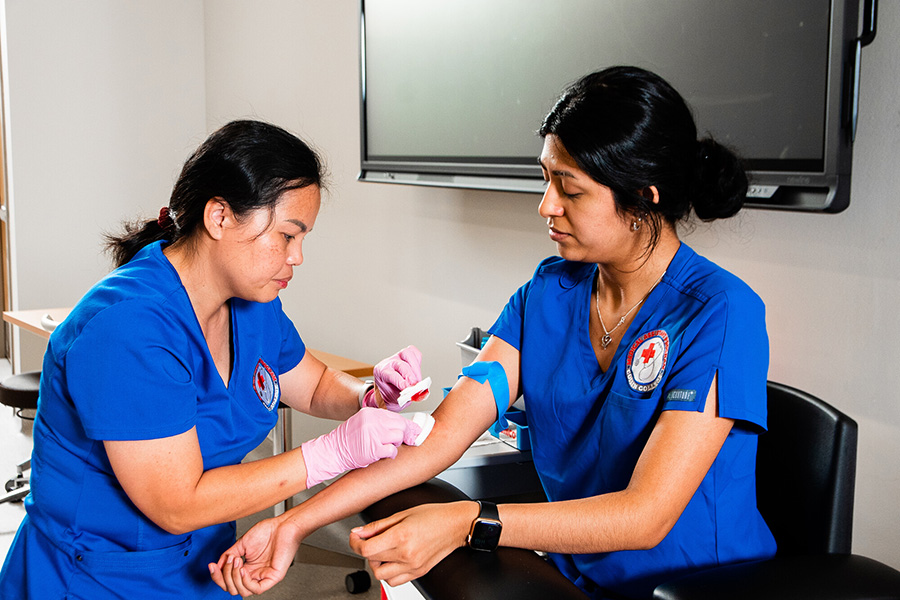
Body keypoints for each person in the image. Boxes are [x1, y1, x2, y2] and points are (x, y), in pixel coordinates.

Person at [212, 67, 777, 599]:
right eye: (545, 179)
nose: (546, 206)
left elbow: (645, 516)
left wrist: (468, 520)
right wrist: (295, 522)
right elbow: (441, 437)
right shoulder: (549, 294)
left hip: (695, 588)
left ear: (642, 199)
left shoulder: (721, 313)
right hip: (577, 577)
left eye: (570, 189)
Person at [0, 120, 426, 600]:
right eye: (287, 236)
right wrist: (332, 453)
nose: (298, 257)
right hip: (97, 576)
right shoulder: (128, 329)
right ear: (220, 217)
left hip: (203, 564)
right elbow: (176, 504)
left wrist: (369, 395)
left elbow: (312, 384)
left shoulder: (253, 303)